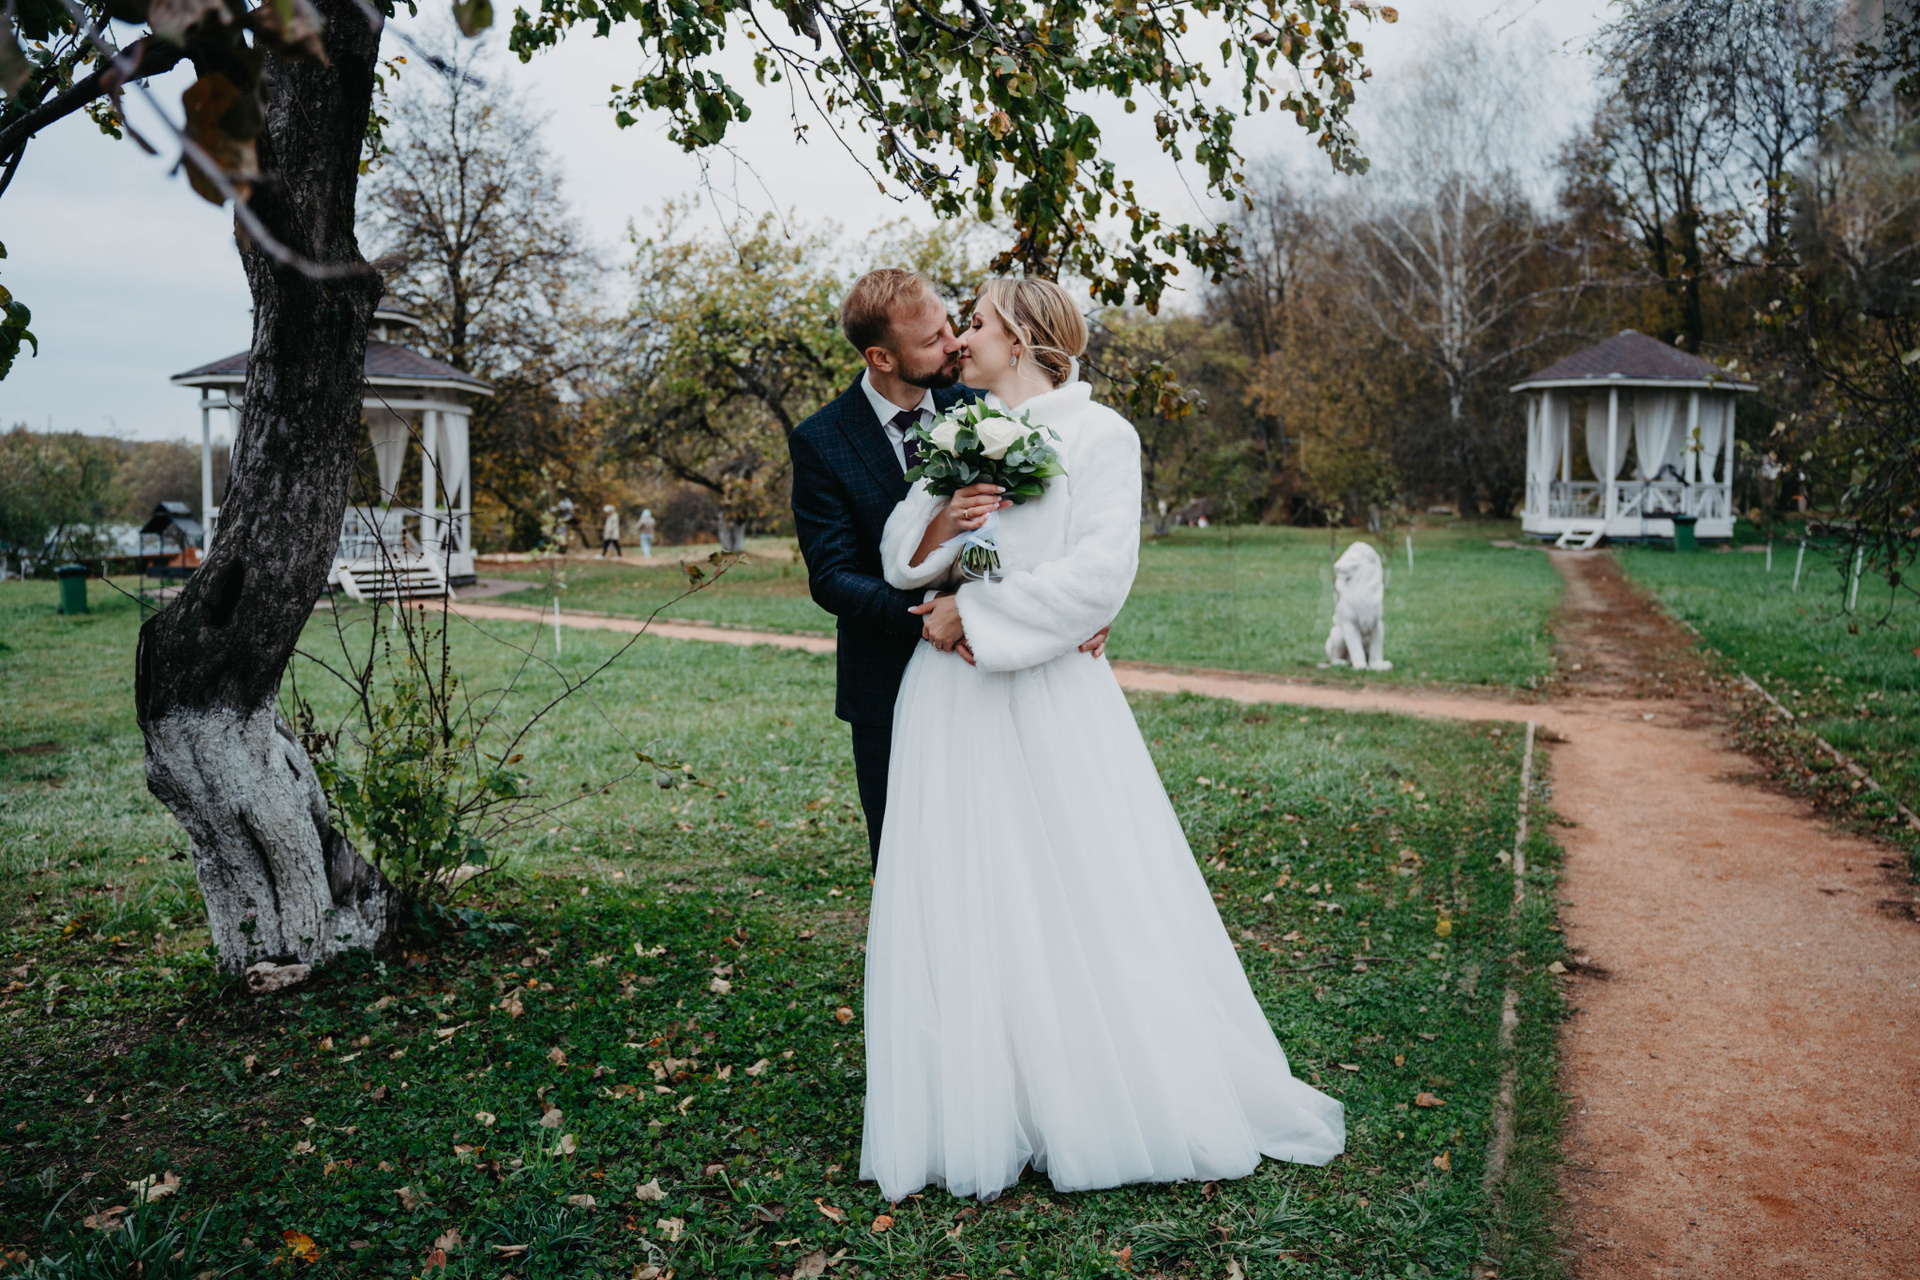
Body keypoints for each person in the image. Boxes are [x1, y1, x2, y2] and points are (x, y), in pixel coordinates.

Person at [859, 276, 1345, 1203]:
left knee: (1076, 886)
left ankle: (1092, 1095)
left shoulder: (1100, 435)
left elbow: (1099, 576)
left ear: (1022, 338)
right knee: (971, 894)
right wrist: (945, 525)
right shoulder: (957, 432)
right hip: (951, 706)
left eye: (977, 323)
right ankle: (989, 1099)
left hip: (1046, 697)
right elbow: (897, 559)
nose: (961, 338)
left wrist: (977, 615)